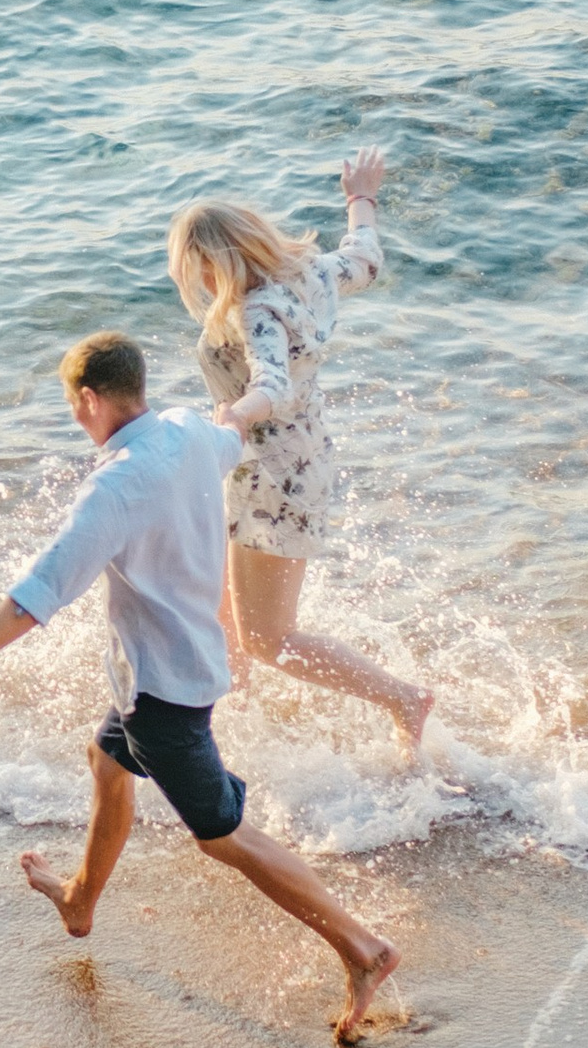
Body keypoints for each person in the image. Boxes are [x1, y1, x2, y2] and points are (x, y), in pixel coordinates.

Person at [0, 330, 402, 1045]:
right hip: (178, 669)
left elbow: (35, 595)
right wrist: (255, 400)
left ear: (90, 400)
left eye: (73, 408)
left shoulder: (114, 488)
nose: (77, 419)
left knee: (224, 837)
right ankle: (80, 902)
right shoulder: (187, 432)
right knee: (106, 760)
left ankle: (362, 947)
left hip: (165, 695)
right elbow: (232, 435)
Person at [169, 144, 431, 751]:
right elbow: (364, 259)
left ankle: (402, 699)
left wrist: (231, 419)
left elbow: (272, 385)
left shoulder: (255, 310)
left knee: (269, 637)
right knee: (224, 609)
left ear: (213, 263)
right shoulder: (307, 273)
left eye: (195, 269)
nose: (198, 283)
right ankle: (230, 726)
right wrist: (360, 198)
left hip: (272, 474)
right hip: (287, 460)